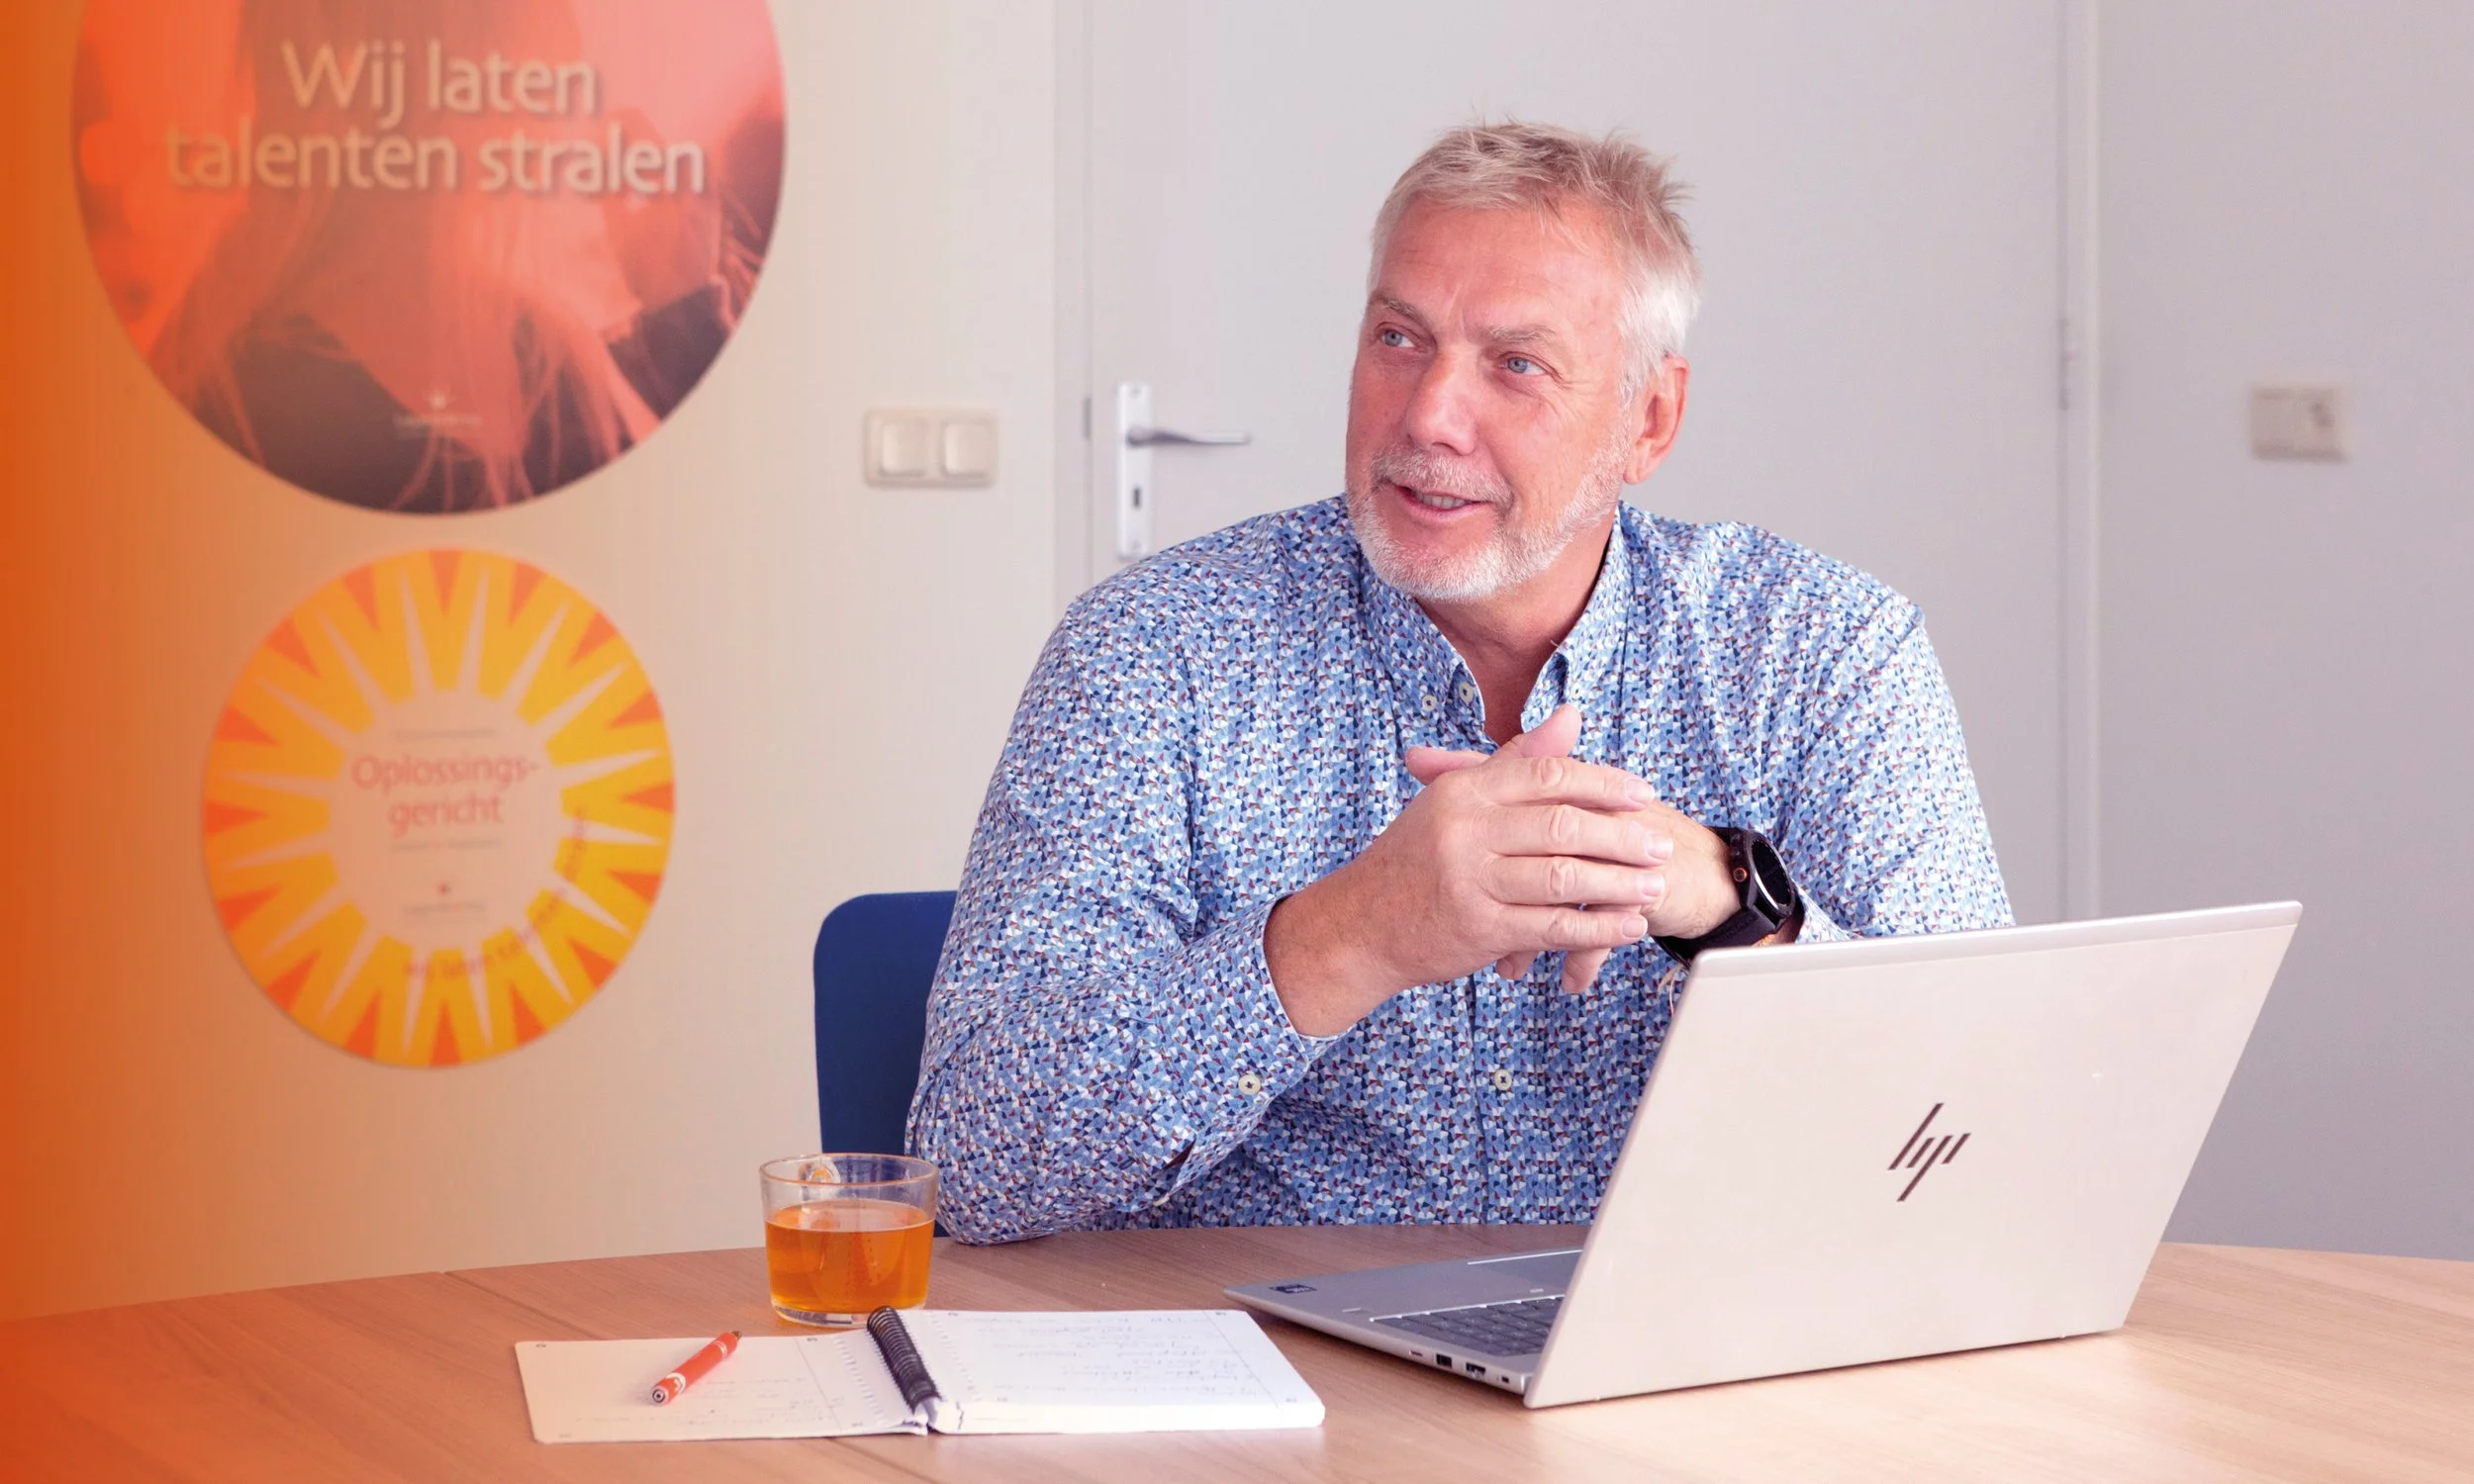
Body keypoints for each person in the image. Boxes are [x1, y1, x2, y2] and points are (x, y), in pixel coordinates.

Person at [909, 121, 2012, 1243]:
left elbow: (1988, 1126)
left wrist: (1726, 902)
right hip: (1255, 1342)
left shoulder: (1823, 652)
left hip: (1679, 1342)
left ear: (1649, 419)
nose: (1429, 415)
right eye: (1399, 338)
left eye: (1515, 364)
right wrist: (1353, 932)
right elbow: (973, 1167)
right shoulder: (1156, 650)